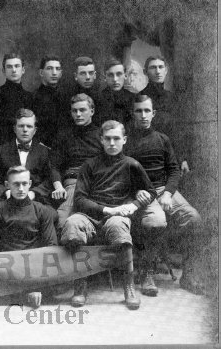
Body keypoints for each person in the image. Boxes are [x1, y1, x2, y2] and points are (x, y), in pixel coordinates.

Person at [61, 120, 157, 310]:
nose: (112, 143)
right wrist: (106, 210)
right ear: (101, 140)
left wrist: (135, 204)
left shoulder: (132, 165)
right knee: (72, 223)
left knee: (118, 226)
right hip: (90, 214)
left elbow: (151, 192)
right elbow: (79, 199)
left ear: (124, 140)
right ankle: (80, 286)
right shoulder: (89, 165)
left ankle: (128, 287)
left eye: (116, 139)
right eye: (108, 139)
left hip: (117, 215)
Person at [125, 94, 203, 295]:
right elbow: (122, 172)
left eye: (147, 111)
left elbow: (174, 170)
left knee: (193, 218)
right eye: (138, 111)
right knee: (156, 221)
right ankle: (147, 272)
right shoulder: (125, 140)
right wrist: (137, 191)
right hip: (141, 191)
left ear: (153, 114)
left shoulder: (162, 139)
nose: (143, 115)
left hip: (164, 189)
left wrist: (168, 193)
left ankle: (189, 275)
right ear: (132, 113)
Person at [0, 166, 58, 307]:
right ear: (7, 185)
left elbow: (51, 246)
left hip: (35, 267)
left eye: (24, 184)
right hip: (6, 267)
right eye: (16, 184)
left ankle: (29, 291)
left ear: (30, 184)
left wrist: (36, 284)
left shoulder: (42, 211)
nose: (21, 188)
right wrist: (2, 268)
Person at [0, 108, 65, 206]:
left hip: (37, 201)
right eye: (21, 126)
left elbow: (50, 179)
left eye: (29, 126)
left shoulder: (45, 152)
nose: (25, 130)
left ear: (34, 130)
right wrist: (6, 192)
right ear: (14, 129)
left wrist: (34, 193)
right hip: (7, 201)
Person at [52, 94, 103, 230]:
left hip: (97, 184)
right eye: (75, 111)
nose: (78, 114)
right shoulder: (64, 135)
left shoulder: (102, 135)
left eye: (82, 110)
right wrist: (58, 186)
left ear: (92, 111)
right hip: (72, 185)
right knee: (62, 223)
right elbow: (54, 165)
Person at [140, 56, 189, 174]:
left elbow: (179, 130)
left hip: (172, 157)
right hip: (149, 158)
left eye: (160, 67)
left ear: (166, 70)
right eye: (153, 67)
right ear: (145, 72)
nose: (157, 71)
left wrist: (182, 159)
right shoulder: (139, 98)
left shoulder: (173, 98)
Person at [0, 53, 33, 150]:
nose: (14, 70)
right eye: (9, 67)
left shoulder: (30, 97)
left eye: (17, 66)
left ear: (23, 70)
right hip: (2, 149)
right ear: (3, 71)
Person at [32, 55, 67, 148]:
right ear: (41, 72)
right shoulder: (33, 98)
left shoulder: (66, 97)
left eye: (57, 69)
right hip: (41, 148)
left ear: (61, 73)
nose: (54, 73)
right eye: (49, 68)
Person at [99, 59, 135, 126]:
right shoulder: (98, 99)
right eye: (110, 75)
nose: (115, 79)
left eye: (119, 74)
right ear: (105, 77)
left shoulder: (133, 98)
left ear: (125, 76)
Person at [68, 56, 103, 125]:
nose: (88, 77)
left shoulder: (101, 97)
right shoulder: (67, 96)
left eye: (91, 73)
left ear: (95, 75)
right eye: (83, 73)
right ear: (75, 76)